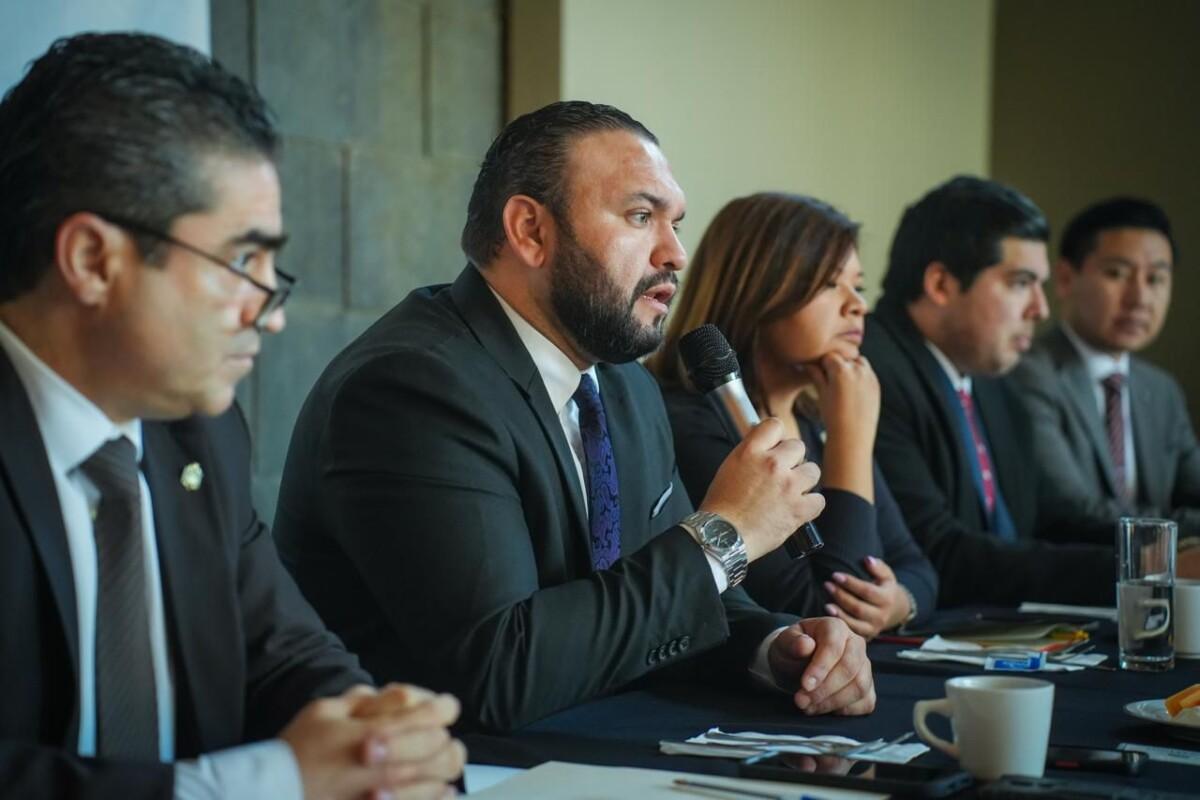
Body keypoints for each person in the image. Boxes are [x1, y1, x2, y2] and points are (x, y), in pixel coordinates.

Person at [274, 101, 876, 733]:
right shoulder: (413, 387)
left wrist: (779, 649)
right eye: (641, 217)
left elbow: (660, 600)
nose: (674, 253)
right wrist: (723, 534)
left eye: (676, 223)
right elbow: (500, 669)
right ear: (531, 231)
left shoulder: (621, 385)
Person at [0, 33, 463, 799]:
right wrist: (264, 783)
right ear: (91, 260)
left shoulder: (200, 434)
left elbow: (281, 652)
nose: (269, 314)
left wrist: (379, 737)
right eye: (240, 263)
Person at [647, 192, 937, 638]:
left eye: (857, 286)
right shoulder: (690, 420)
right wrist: (851, 442)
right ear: (756, 290)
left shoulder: (819, 414)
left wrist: (901, 601)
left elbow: (916, 563)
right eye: (827, 284)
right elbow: (823, 609)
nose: (856, 305)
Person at [859, 176, 1115, 608]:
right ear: (941, 284)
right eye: (1020, 283)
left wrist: (1160, 552)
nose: (1040, 308)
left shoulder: (992, 377)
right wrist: (1136, 571)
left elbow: (1046, 520)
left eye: (1041, 284)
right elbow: (938, 552)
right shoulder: (871, 369)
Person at [1010, 198, 1200, 544]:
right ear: (1066, 279)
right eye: (1116, 273)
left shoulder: (1162, 389)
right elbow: (1071, 512)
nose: (1140, 298)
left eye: (1156, 278)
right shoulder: (1028, 373)